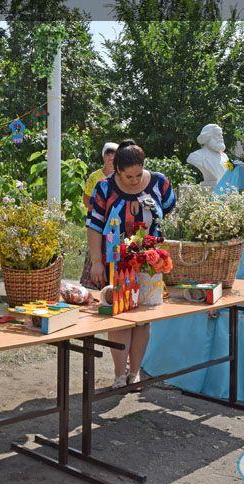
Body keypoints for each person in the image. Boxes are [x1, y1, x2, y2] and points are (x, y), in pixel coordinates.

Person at [85, 140, 176, 389]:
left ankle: (135, 373)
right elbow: (93, 226)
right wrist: (96, 262)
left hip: (150, 263)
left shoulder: (160, 183)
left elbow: (170, 216)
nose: (135, 181)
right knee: (120, 316)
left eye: (138, 175)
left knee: (143, 319)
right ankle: (118, 374)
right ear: (116, 170)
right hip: (116, 263)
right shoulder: (103, 188)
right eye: (128, 176)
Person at [80, 142, 118, 288]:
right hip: (98, 222)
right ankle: (93, 284)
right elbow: (86, 200)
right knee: (95, 251)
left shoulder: (122, 175)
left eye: (114, 153)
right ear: (103, 156)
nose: (111, 157)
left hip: (116, 225)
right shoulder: (94, 176)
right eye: (108, 153)